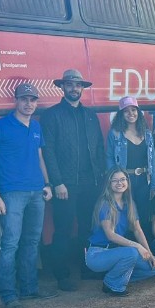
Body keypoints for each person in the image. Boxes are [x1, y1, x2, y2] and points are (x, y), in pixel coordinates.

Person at [0, 83, 56, 308]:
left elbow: (40, 157)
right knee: (10, 243)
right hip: (12, 194)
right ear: (16, 100)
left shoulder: (35, 127)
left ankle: (29, 288)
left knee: (32, 242)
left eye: (33, 100)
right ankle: (8, 295)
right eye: (24, 99)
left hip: (36, 192)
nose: (29, 103)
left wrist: (47, 184)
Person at [41, 69, 105, 291]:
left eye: (78, 85)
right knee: (64, 229)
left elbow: (98, 148)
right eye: (70, 84)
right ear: (62, 87)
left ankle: (87, 268)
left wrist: (101, 178)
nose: (74, 89)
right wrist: (57, 182)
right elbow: (47, 151)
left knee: (88, 227)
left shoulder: (90, 115)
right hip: (65, 185)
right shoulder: (51, 115)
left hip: (90, 183)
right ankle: (62, 275)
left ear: (83, 89)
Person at [85, 167, 155, 296]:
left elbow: (137, 230)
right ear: (109, 184)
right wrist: (137, 246)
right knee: (131, 252)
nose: (119, 183)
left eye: (122, 179)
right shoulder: (105, 203)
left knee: (154, 267)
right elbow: (110, 235)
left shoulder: (129, 204)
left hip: (118, 253)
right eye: (114, 180)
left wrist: (150, 254)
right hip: (98, 253)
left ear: (127, 181)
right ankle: (112, 283)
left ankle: (116, 278)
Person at [106, 96, 155, 237]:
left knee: (144, 214)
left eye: (134, 110)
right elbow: (109, 158)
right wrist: (114, 181)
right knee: (126, 214)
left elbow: (152, 161)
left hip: (143, 180)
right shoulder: (115, 134)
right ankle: (129, 249)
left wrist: (154, 185)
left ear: (138, 112)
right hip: (124, 181)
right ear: (121, 114)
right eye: (126, 111)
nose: (131, 114)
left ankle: (147, 252)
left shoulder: (146, 134)